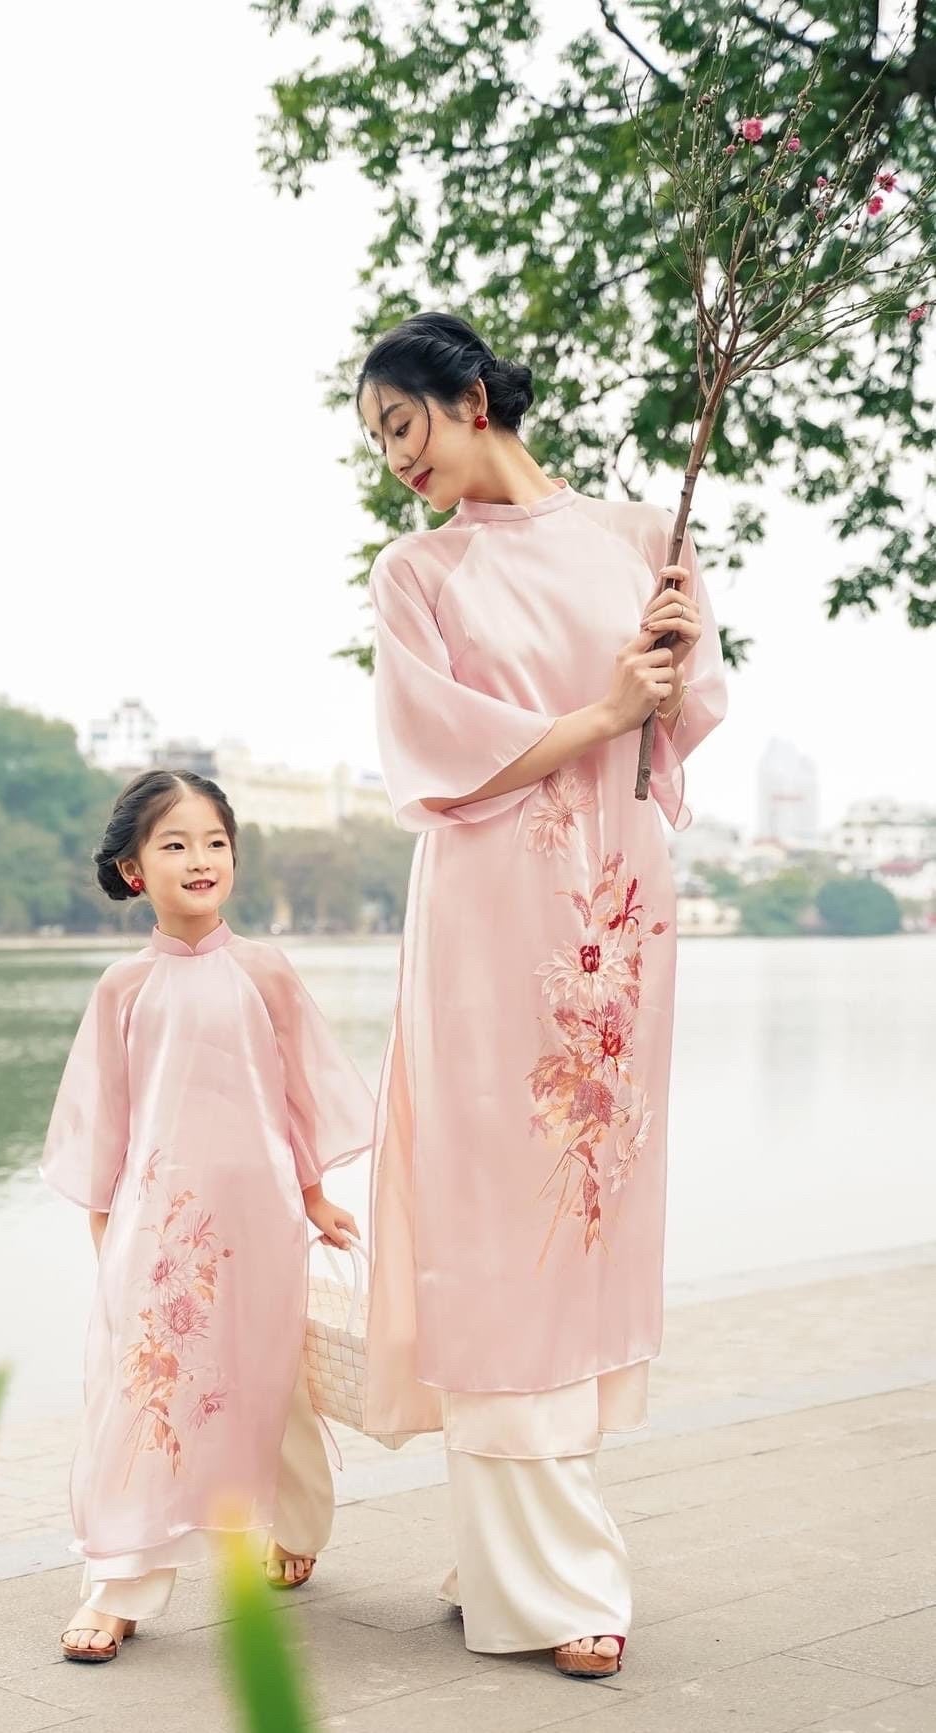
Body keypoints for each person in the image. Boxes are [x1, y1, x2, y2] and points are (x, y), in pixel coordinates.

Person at [357, 311, 727, 1680]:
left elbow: (682, 723)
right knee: (487, 1209)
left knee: (581, 1208)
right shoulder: (417, 575)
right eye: (379, 444)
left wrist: (670, 661)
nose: (395, 461)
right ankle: (557, 1577)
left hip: (614, 917)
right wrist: (605, 712)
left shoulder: (642, 538)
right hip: (483, 915)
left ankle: (505, 1547)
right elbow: (439, 758)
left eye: (400, 426)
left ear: (466, 396)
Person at [42, 769, 370, 1662]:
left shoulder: (265, 969)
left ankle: (294, 1526)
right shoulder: (121, 986)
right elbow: (101, 1123)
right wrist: (106, 1237)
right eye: (174, 842)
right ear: (133, 869)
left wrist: (313, 1197)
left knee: (271, 1373)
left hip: (260, 1213)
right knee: (145, 1389)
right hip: (158, 1224)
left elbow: (301, 1094)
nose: (200, 858)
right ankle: (119, 1584)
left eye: (215, 841)